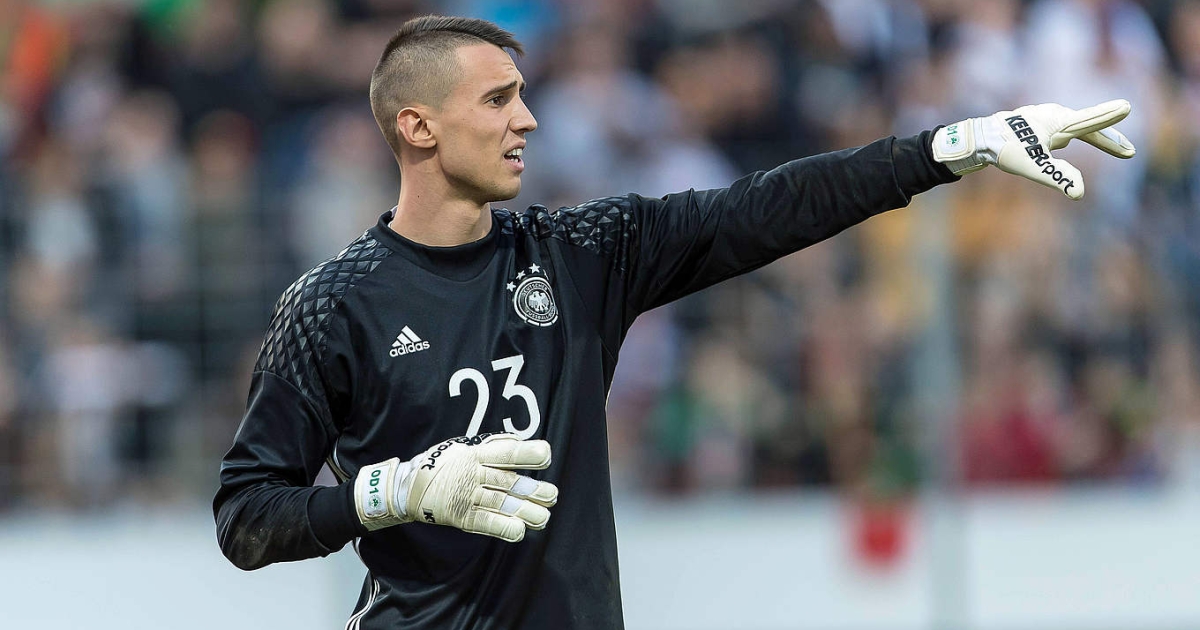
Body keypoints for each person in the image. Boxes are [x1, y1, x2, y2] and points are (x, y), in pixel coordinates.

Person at [212, 14, 1135, 630]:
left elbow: (765, 208)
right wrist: (395, 492)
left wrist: (952, 146)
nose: (526, 120)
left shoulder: (578, 257)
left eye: (523, 95)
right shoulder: (331, 305)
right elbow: (247, 517)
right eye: (497, 100)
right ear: (417, 127)